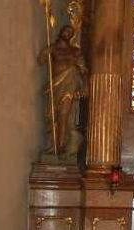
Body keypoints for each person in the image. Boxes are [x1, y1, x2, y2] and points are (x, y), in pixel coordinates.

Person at [38, 25, 86, 161]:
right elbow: (40, 60)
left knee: (64, 115)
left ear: (72, 36)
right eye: (66, 30)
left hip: (70, 85)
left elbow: (83, 70)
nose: (68, 33)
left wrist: (84, 86)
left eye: (71, 32)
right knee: (53, 114)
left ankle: (59, 147)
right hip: (55, 85)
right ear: (61, 31)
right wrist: (46, 51)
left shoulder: (75, 52)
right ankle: (53, 144)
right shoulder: (54, 48)